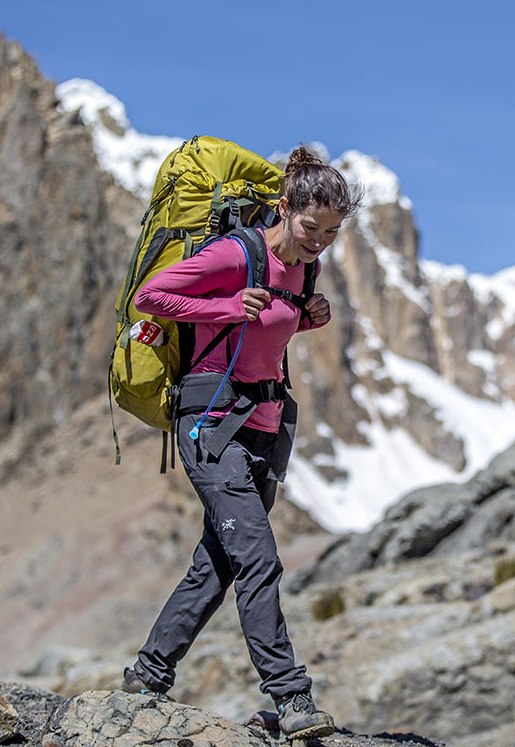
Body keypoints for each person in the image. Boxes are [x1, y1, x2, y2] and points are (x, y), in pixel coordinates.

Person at [121, 145, 359, 740]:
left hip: (264, 424)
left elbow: (272, 324)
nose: (319, 241)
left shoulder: (307, 268)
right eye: (311, 228)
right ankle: (292, 696)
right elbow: (151, 297)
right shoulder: (235, 253)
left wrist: (308, 315)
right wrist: (228, 305)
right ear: (285, 208)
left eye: (331, 232)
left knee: (219, 564)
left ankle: (146, 676)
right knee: (256, 555)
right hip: (209, 420)